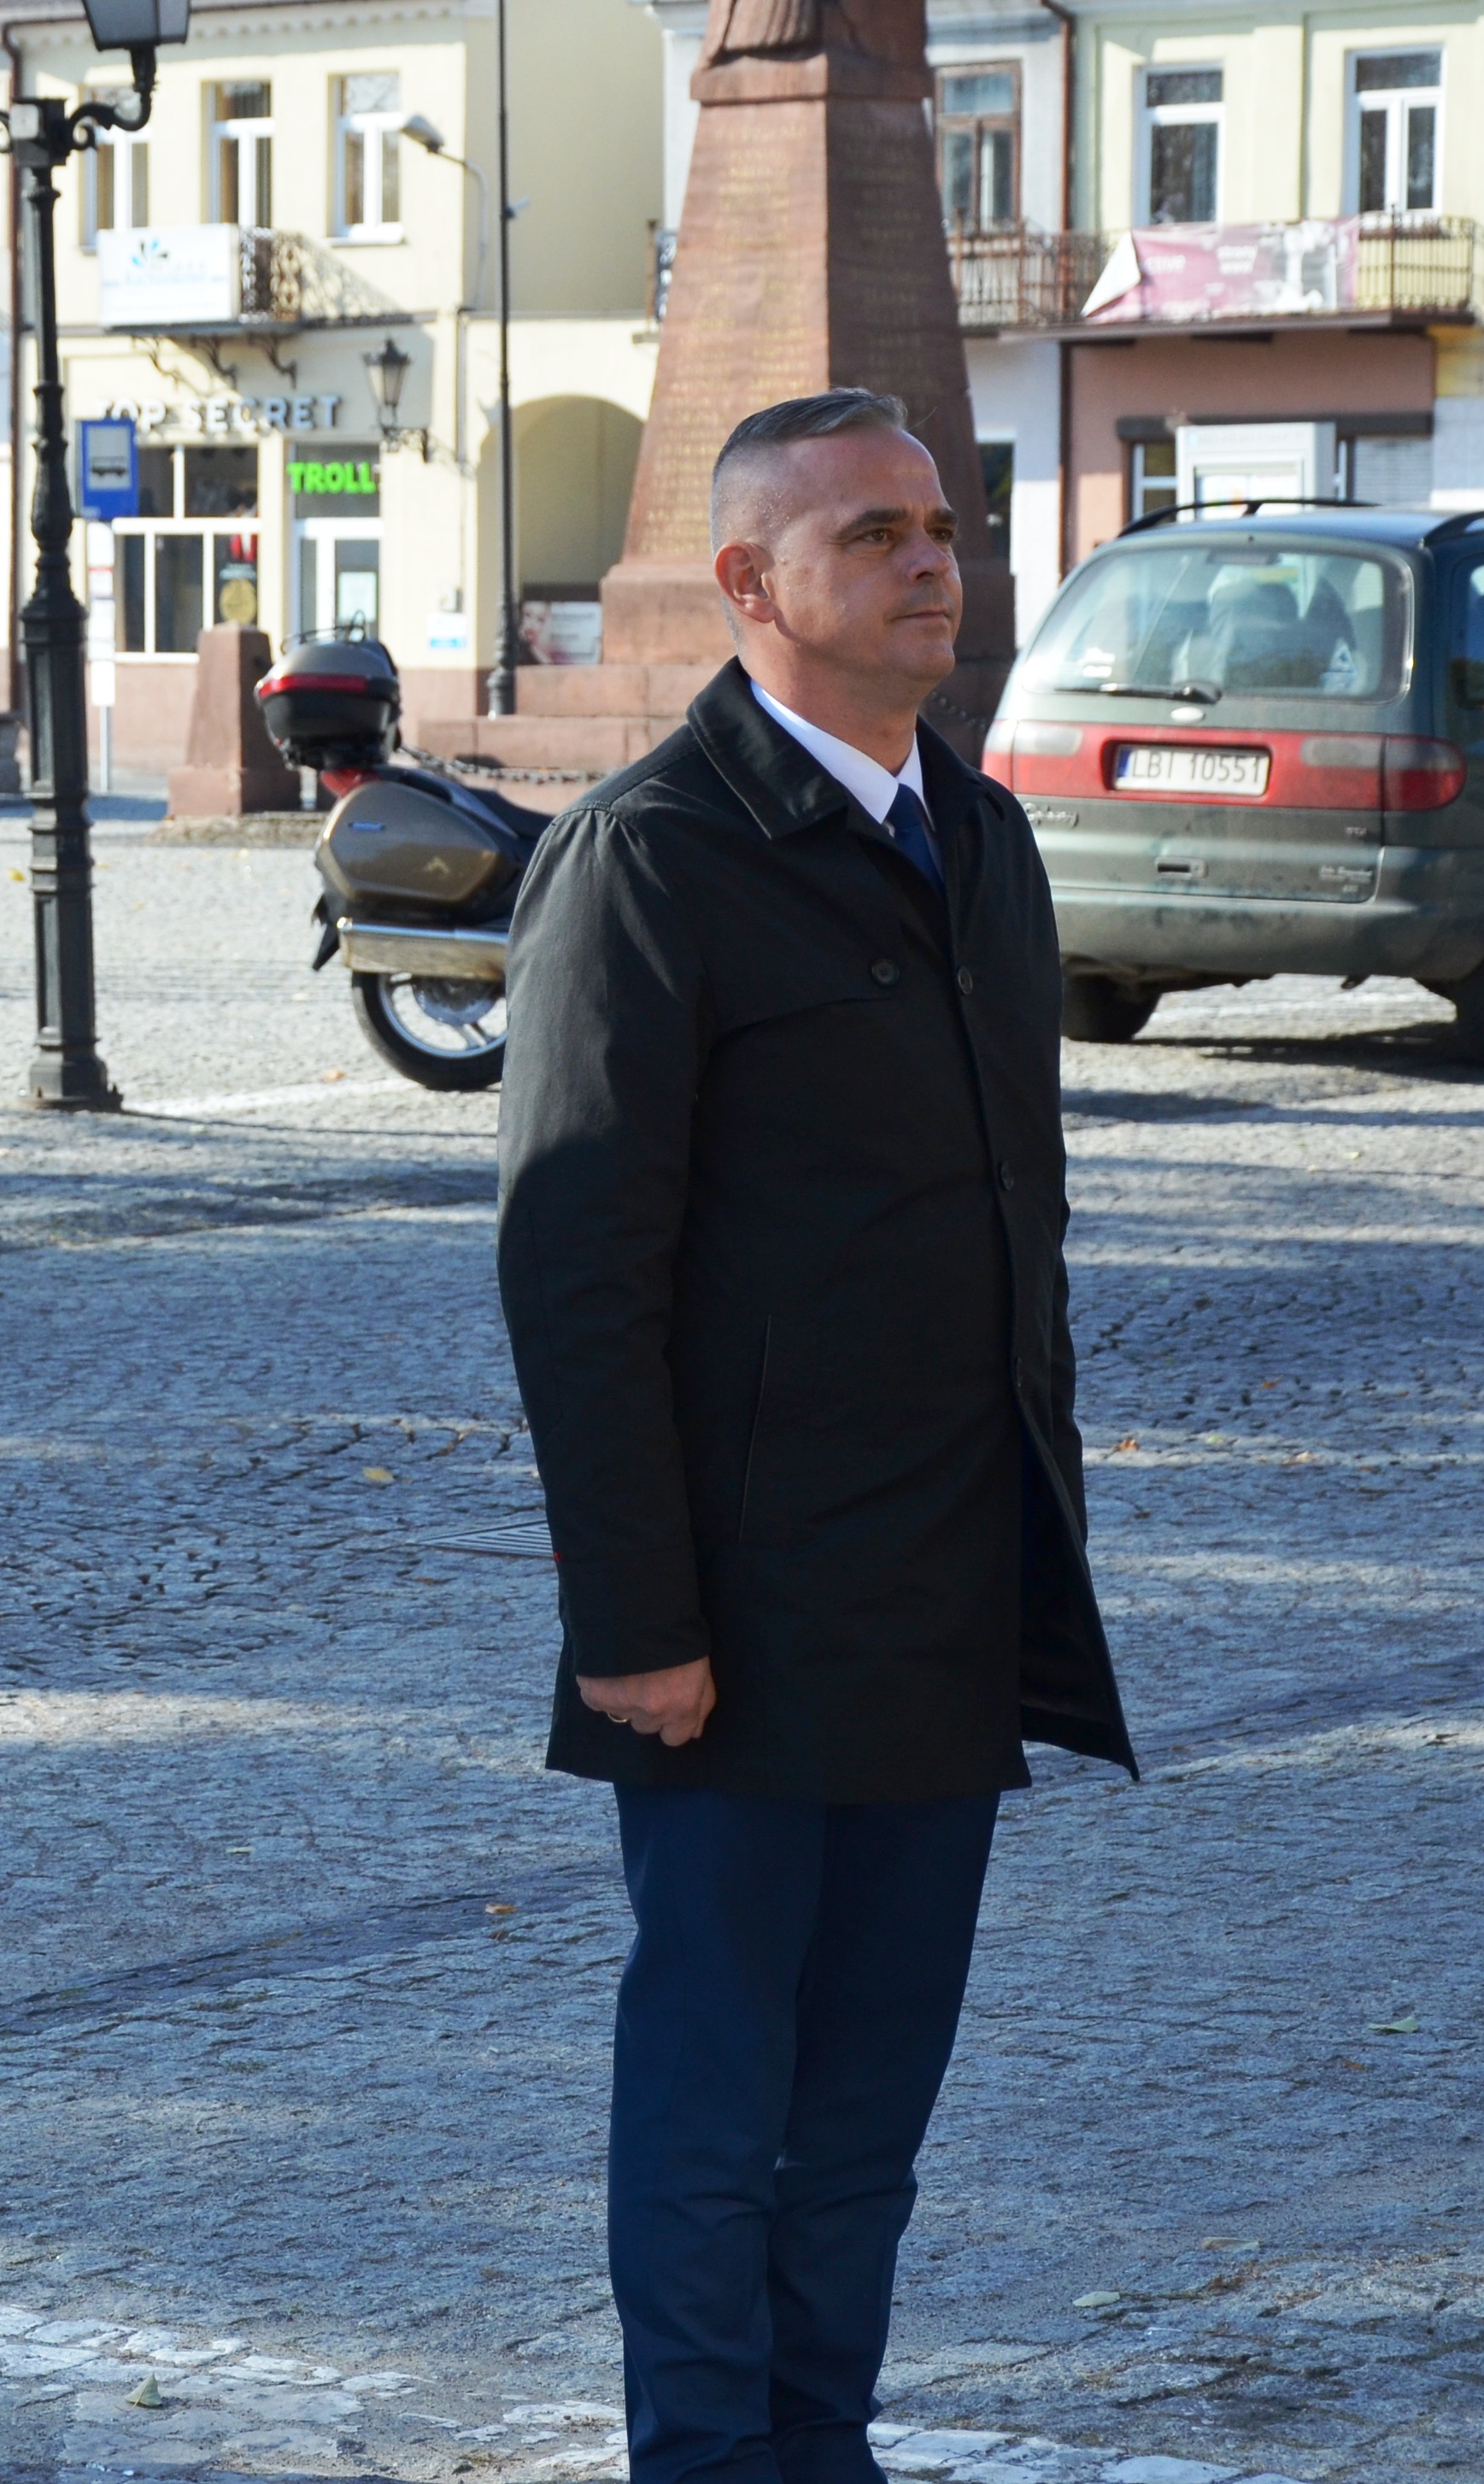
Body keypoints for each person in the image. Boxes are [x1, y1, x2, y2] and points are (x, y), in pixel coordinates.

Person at [495, 389, 1135, 2484]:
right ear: (749, 583)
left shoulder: (983, 835)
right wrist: (635, 1620)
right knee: (718, 2089)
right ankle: (702, 2455)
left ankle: (816, 2441)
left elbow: (1012, 1229)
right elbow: (577, 1271)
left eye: (938, 523)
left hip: (945, 1580)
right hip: (737, 1616)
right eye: (871, 533)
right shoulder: (652, 855)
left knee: (867, 2103)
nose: (930, 560)